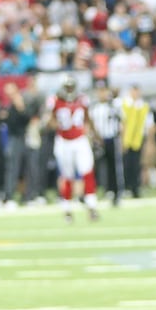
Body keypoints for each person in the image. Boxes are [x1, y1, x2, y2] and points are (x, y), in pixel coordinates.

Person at [52, 76, 100, 222]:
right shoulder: (55, 101)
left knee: (87, 172)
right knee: (67, 176)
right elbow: (50, 121)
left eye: (71, 87)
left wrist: (95, 135)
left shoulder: (82, 99)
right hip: (63, 141)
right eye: (67, 87)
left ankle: (91, 206)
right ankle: (67, 209)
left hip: (80, 140)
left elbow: (88, 118)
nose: (69, 90)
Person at [119, 85, 150, 200]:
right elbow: (122, 123)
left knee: (136, 165)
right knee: (126, 165)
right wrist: (122, 140)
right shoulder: (124, 104)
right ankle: (126, 187)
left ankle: (135, 188)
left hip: (138, 140)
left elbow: (148, 125)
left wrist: (149, 142)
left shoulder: (143, 106)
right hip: (126, 140)